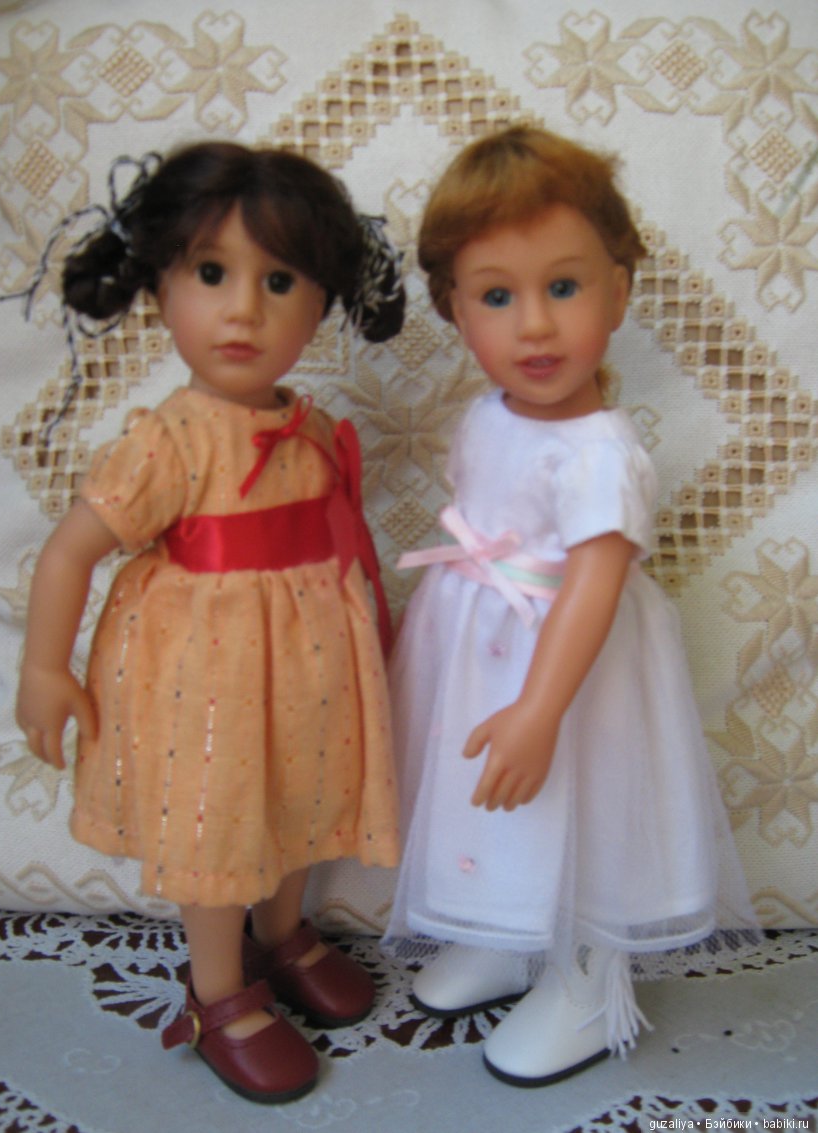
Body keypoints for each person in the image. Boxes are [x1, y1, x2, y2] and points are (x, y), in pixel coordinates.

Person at [14, 140, 404, 1104]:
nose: (244, 310)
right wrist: (45, 668)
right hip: (208, 679)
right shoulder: (170, 442)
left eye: (280, 281)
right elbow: (69, 552)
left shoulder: (312, 429)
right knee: (220, 820)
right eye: (212, 273)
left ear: (323, 302)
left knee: (301, 796)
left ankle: (283, 934)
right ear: (160, 289)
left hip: (305, 669)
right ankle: (218, 987)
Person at [383, 123, 756, 1087]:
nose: (535, 327)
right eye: (497, 296)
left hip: (574, 670)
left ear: (618, 292)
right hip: (484, 647)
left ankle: (590, 978)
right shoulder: (485, 414)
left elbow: (594, 579)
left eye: (564, 286)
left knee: (586, 808)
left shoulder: (600, 454)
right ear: (454, 308)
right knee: (492, 800)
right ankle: (508, 932)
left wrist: (542, 706)